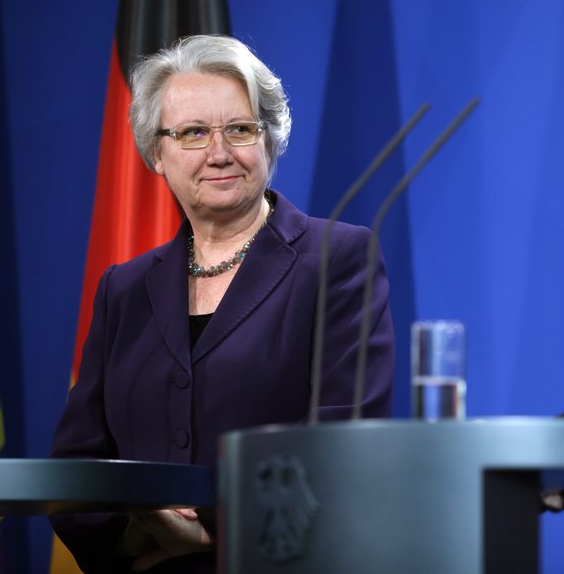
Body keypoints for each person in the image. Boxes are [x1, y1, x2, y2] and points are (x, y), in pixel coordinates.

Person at [50, 35, 395, 572]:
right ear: (156, 154)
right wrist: (137, 539)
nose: (219, 153)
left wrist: (214, 530)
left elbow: (344, 438)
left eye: (239, 128)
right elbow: (76, 462)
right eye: (192, 133)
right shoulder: (123, 289)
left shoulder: (338, 258)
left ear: (269, 140)